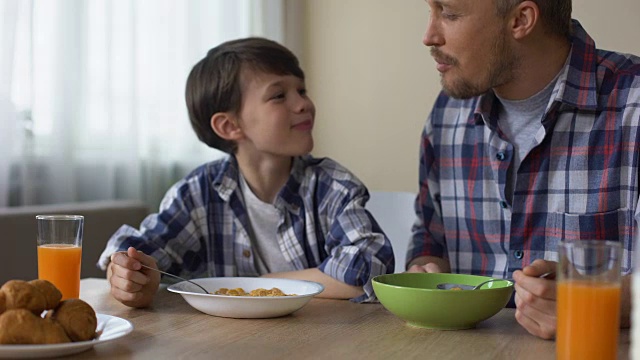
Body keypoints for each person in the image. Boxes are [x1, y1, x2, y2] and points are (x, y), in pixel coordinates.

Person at [98, 37, 394, 308]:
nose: (303, 103)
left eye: (301, 90)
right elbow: (136, 253)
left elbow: (370, 265)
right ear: (229, 126)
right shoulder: (198, 193)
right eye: (279, 95)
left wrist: (261, 286)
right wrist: (131, 275)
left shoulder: (332, 187)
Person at [406, 0, 639, 339]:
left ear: (521, 20)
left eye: (450, 13)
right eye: (430, 12)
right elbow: (429, 238)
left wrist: (609, 304)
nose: (428, 36)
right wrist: (425, 267)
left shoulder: (633, 105)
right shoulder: (446, 115)